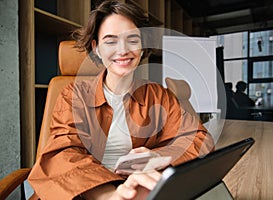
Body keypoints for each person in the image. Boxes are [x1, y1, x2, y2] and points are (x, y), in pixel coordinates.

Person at [28, 1, 214, 199]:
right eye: (110, 41)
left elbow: (199, 139)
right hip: (86, 193)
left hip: (139, 190)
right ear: (96, 48)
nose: (123, 50)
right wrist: (112, 195)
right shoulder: (74, 95)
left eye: (132, 40)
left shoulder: (158, 95)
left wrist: (160, 156)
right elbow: (63, 154)